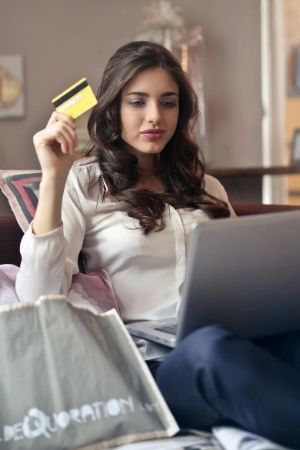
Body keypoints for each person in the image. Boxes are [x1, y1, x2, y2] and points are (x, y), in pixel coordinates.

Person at [15, 41, 300, 448]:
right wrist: (53, 178)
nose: (155, 117)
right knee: (210, 350)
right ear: (114, 109)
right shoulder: (85, 184)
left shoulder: (207, 187)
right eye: (137, 102)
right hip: (154, 369)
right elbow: (38, 296)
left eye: (168, 103)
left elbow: (245, 280)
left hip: (235, 341)